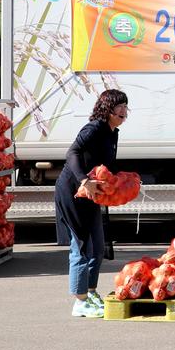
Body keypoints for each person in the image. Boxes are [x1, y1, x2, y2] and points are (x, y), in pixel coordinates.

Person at [54, 89, 129, 318]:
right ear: (108, 108)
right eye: (120, 107)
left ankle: (91, 291)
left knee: (98, 246)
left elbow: (107, 166)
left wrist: (125, 181)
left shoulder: (112, 132)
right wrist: (84, 180)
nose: (125, 111)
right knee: (82, 245)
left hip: (92, 194)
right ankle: (80, 301)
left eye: (126, 106)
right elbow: (72, 153)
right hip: (73, 191)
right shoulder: (94, 128)